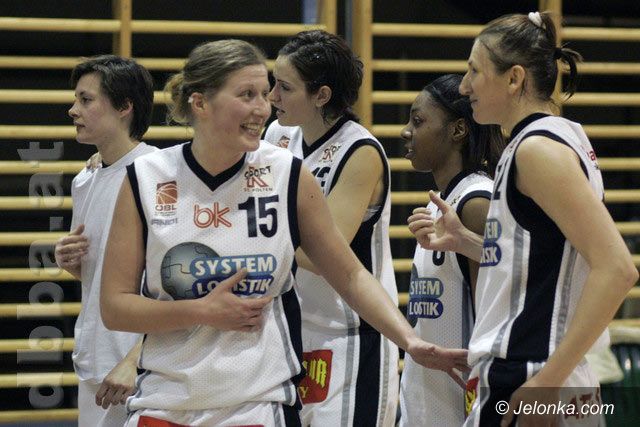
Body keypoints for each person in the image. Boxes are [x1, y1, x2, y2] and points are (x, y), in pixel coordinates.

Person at [99, 39, 469, 427]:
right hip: (164, 400)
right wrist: (199, 311)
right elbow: (115, 306)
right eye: (248, 95)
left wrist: (411, 342)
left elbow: (349, 273)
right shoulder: (146, 178)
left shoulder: (287, 174)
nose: (264, 106)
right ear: (200, 103)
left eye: (266, 93)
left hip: (260, 403)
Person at [408, 11, 638, 427]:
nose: (465, 86)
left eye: (474, 71)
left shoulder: (537, 150)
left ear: (514, 79)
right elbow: (550, 260)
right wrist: (467, 242)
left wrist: (548, 381)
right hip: (537, 371)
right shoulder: (550, 139)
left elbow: (617, 268)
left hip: (533, 374)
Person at [264, 30, 399, 427]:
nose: (272, 96)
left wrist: (252, 241)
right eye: (274, 83)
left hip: (351, 336)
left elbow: (325, 255)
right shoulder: (278, 136)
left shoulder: (360, 151)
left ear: (321, 95)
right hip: (294, 331)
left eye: (285, 87)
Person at [53, 55, 157, 427]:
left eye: (86, 100)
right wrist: (71, 262)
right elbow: (101, 277)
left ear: (124, 107)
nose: (73, 110)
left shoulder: (159, 175)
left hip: (146, 368)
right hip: (96, 359)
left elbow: (177, 287)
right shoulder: (85, 178)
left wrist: (135, 358)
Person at [398, 74, 504, 427]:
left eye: (418, 121)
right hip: (425, 398)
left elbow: (495, 316)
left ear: (458, 130)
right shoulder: (439, 204)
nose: (406, 132)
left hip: (463, 403)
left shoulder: (476, 204)